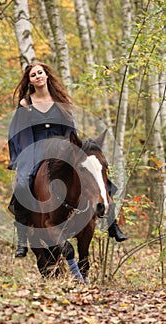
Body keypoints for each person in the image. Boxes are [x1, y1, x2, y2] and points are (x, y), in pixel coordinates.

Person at [8, 62, 127, 258]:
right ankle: (22, 239)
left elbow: (69, 129)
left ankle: (112, 223)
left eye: (40, 73)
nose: (37, 76)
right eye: (33, 75)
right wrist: (24, 155)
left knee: (95, 171)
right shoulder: (25, 104)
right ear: (29, 80)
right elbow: (19, 132)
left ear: (47, 76)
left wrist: (70, 147)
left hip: (63, 146)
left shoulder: (60, 100)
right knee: (22, 183)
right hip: (35, 149)